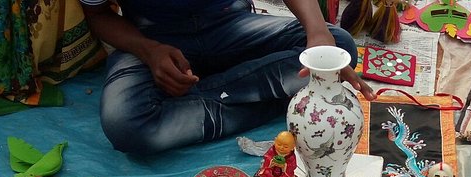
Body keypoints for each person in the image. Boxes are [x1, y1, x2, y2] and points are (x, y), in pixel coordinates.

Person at [80, 0, 370, 154]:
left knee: (338, 47)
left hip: (230, 25)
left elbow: (323, 38)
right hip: (152, 39)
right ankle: (277, 98)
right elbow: (97, 14)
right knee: (125, 125)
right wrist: (149, 51)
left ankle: (196, 106)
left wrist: (316, 31)